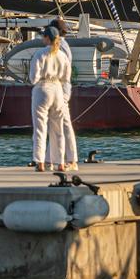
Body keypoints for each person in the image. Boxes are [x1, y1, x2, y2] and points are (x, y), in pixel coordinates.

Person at [29, 25, 68, 172]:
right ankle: (60, 163)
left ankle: (40, 163)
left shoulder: (40, 54)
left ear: (46, 38)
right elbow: (66, 77)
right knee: (58, 129)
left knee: (40, 128)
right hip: (58, 89)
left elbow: (33, 78)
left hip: (43, 88)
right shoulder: (62, 55)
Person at [45, 19, 79, 171]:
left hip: (60, 90)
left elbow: (61, 71)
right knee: (54, 124)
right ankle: (48, 159)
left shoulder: (61, 48)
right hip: (58, 89)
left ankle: (72, 160)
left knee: (65, 125)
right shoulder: (59, 46)